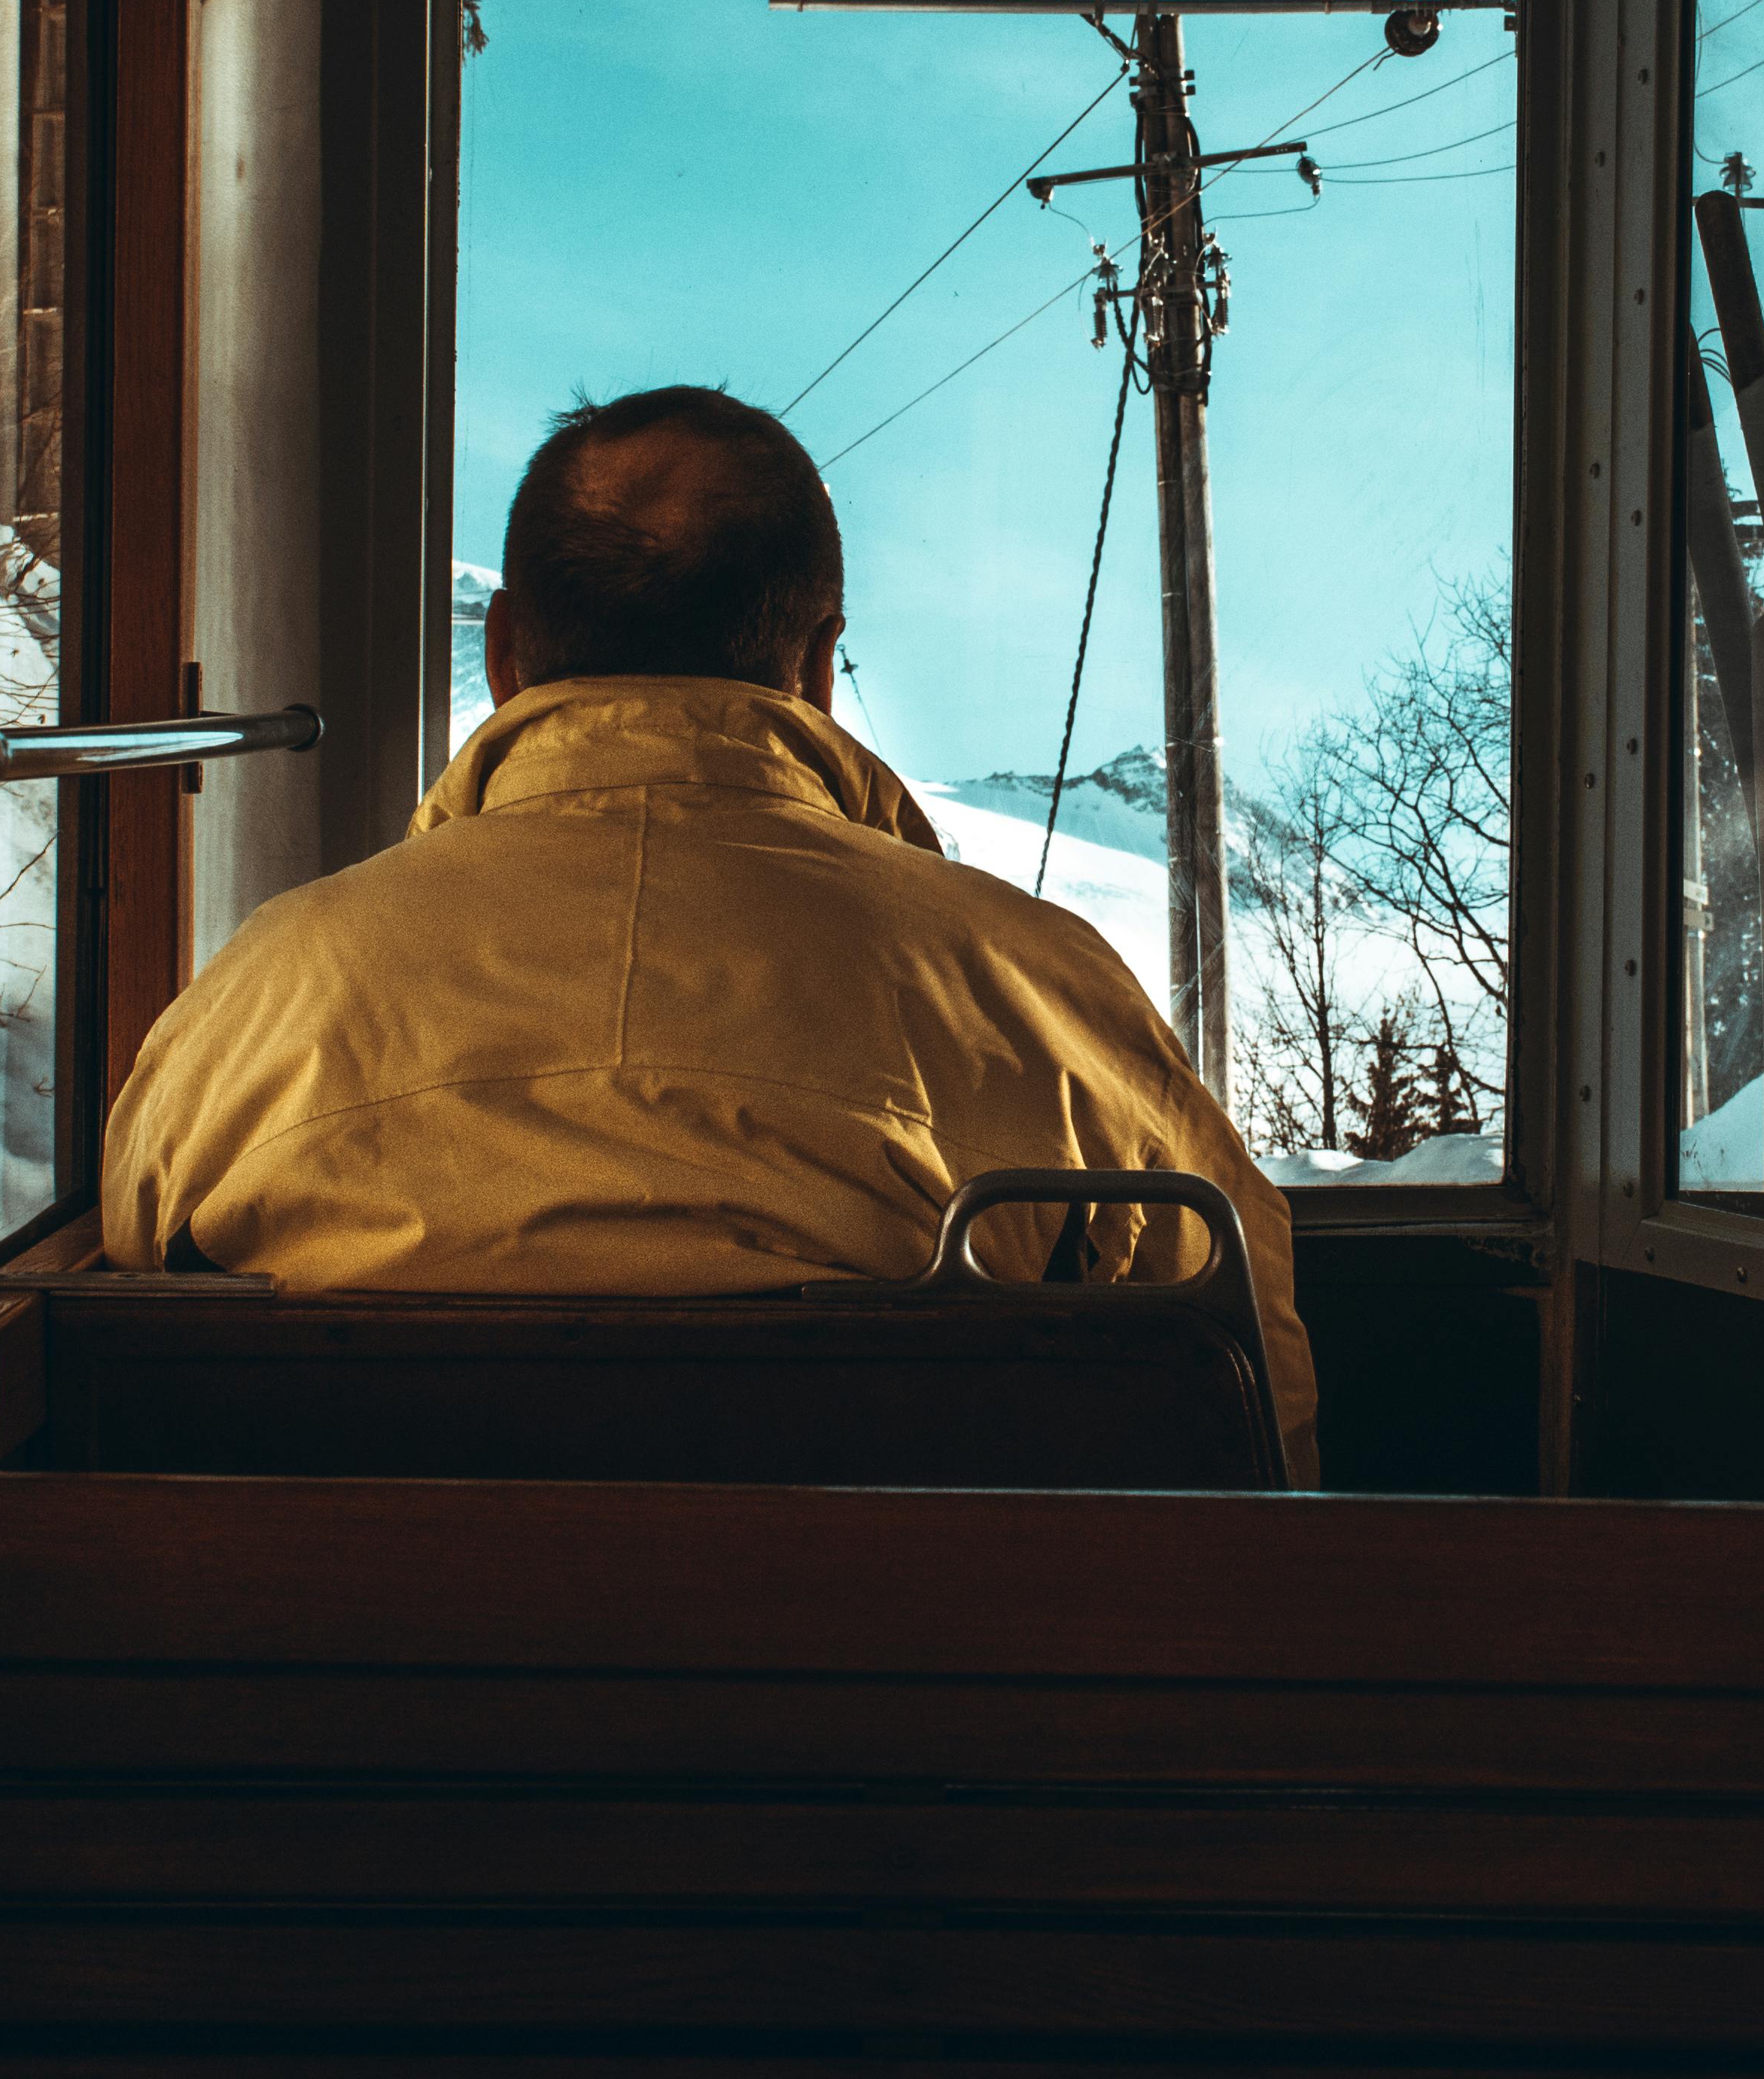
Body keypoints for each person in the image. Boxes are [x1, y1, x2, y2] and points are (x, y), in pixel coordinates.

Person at [102, 382, 1318, 1481]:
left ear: (506, 647)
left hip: (330, 1702)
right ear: (820, 661)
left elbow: (126, 1284)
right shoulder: (1039, 987)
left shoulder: (260, 989)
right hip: (929, 1698)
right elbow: (1244, 1377)